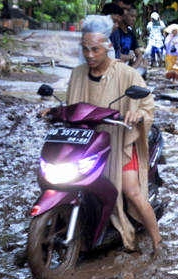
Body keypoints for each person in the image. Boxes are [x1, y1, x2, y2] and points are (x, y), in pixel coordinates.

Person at [59, 15, 162, 255]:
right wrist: (54, 111)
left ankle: (158, 243)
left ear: (107, 46)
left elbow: (147, 105)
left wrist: (137, 114)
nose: (90, 55)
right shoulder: (78, 74)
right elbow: (71, 107)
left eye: (95, 49)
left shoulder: (127, 74)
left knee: (132, 192)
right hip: (88, 144)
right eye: (85, 49)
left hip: (119, 142)